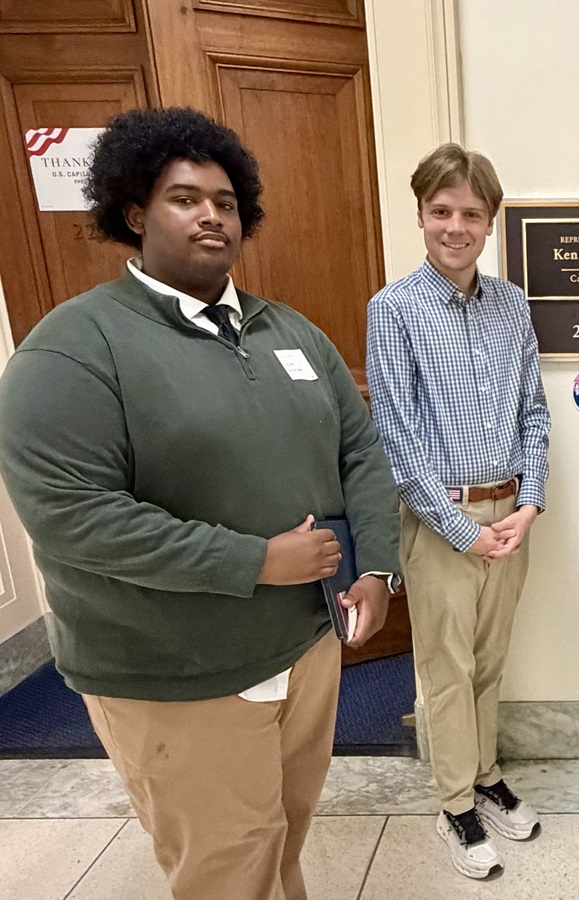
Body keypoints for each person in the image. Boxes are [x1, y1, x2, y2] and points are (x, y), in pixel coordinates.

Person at [0, 107, 400, 900]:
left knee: (283, 832)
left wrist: (379, 567)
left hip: (306, 643)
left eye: (225, 200)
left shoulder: (288, 332)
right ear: (134, 212)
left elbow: (362, 450)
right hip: (176, 671)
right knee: (224, 867)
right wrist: (255, 561)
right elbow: (73, 516)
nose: (211, 214)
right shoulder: (74, 348)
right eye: (185, 198)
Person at [365, 143, 551, 880]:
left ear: (490, 222)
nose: (455, 226)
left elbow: (534, 412)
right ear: (420, 215)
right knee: (444, 668)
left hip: (511, 517)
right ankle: (453, 804)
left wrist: (530, 502)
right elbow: (395, 435)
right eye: (441, 211)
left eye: (471, 213)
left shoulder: (513, 304)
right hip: (441, 520)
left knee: (489, 661)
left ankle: (485, 772)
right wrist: (460, 529)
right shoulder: (395, 308)